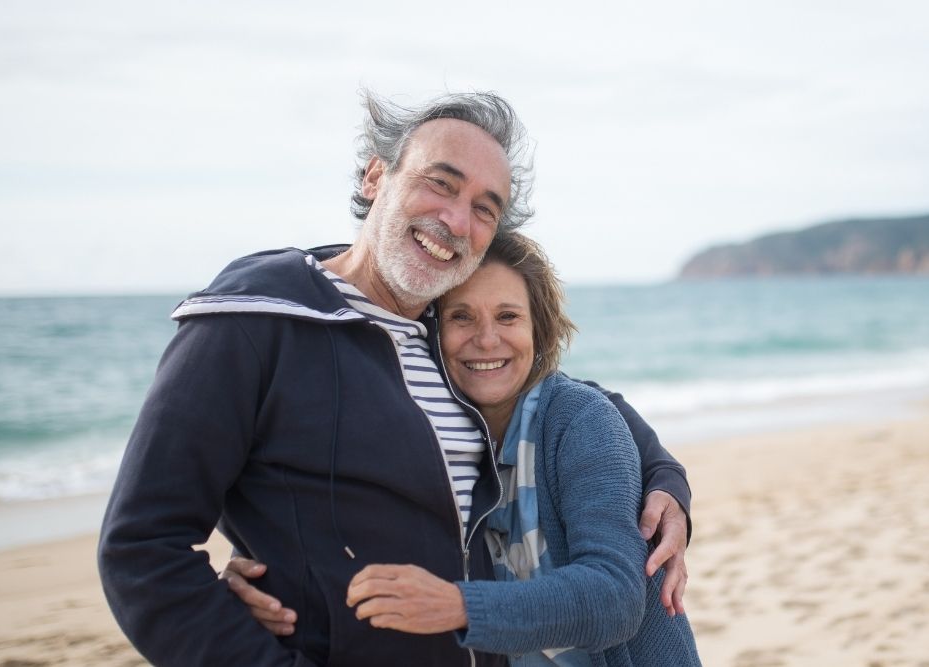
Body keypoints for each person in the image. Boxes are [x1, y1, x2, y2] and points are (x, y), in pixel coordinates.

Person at [98, 90, 691, 666]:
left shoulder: (445, 331)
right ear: (376, 177)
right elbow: (141, 551)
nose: (457, 220)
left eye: (485, 207)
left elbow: (572, 400)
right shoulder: (254, 322)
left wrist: (665, 479)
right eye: (441, 182)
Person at [229, 233, 701, 665]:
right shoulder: (434, 439)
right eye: (461, 316)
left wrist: (456, 605)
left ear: (540, 329)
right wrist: (263, 575)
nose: (486, 339)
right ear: (431, 334)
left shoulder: (578, 421)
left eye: (508, 316)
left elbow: (615, 600)